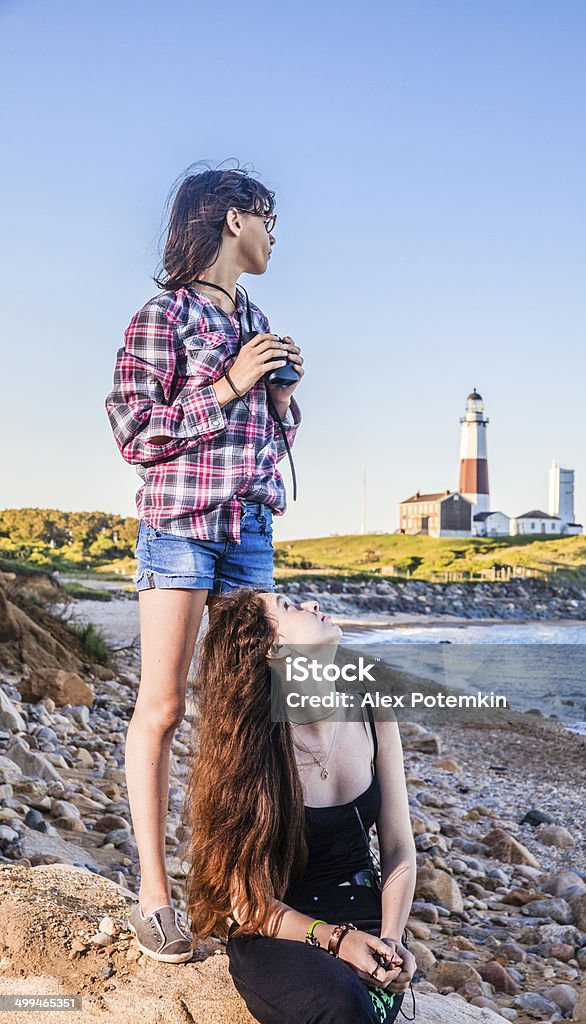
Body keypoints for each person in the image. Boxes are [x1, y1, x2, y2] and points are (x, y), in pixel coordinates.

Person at [104, 162, 304, 962]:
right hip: (181, 528)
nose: (273, 233)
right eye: (266, 217)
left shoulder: (258, 324)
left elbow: (264, 450)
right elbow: (135, 436)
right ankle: (156, 894)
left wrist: (281, 405)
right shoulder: (162, 317)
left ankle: (235, 892)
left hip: (250, 529)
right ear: (229, 220)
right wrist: (226, 385)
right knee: (164, 709)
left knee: (249, 722)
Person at [182, 588, 418, 1024]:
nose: (313, 603)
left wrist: (391, 938)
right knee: (339, 1003)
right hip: (280, 927)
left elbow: (400, 847)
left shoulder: (371, 709)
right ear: (272, 648)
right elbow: (244, 903)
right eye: (289, 606)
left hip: (364, 917)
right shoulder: (248, 749)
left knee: (365, 995)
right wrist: (335, 940)